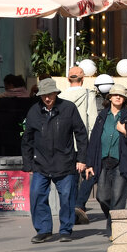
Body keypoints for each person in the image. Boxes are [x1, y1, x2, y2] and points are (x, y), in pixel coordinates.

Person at [21, 77, 89, 243]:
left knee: (67, 197)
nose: (47, 98)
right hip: (40, 163)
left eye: (49, 94)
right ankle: (44, 230)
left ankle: (65, 229)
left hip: (65, 161)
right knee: (37, 195)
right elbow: (27, 139)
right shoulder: (34, 111)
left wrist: (81, 159)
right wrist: (28, 163)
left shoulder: (68, 108)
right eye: (43, 95)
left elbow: (81, 134)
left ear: (55, 93)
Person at [81, 83, 127, 233]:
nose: (118, 97)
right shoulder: (102, 116)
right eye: (115, 95)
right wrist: (89, 164)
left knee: (118, 196)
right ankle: (113, 218)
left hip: (121, 162)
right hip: (103, 162)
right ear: (110, 97)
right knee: (102, 196)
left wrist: (125, 132)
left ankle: (114, 229)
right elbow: (94, 141)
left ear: (125, 99)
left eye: (120, 95)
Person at [60, 66, 98, 224]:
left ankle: (72, 211)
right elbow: (93, 119)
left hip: (66, 144)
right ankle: (79, 205)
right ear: (83, 79)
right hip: (85, 142)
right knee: (91, 173)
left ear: (68, 80)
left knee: (72, 177)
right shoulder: (89, 95)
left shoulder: (60, 97)